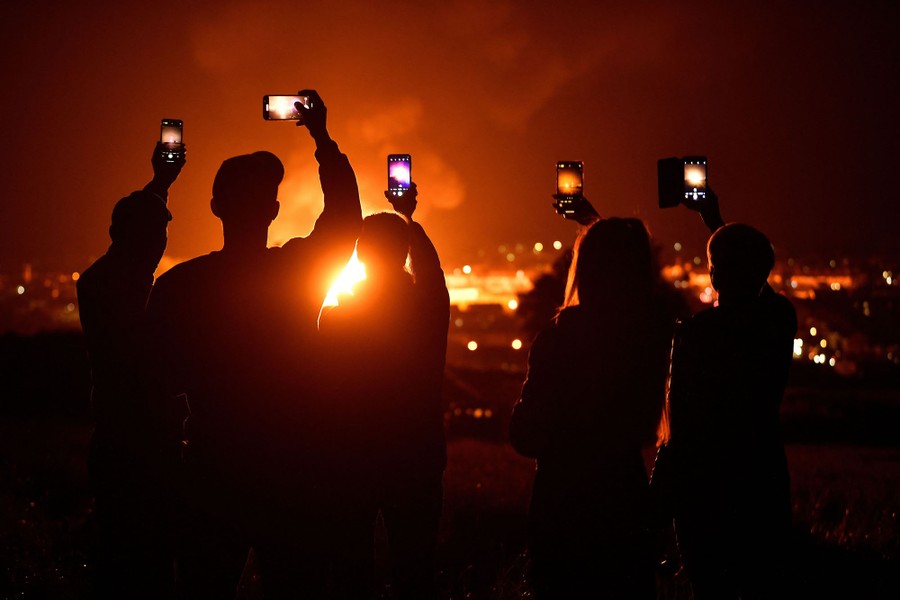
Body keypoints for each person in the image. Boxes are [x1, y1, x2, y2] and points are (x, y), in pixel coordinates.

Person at [143, 89, 361, 597]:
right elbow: (346, 218)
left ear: (216, 206)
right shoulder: (295, 274)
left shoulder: (182, 285)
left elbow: (154, 380)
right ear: (274, 208)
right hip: (289, 470)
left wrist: (159, 183)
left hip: (211, 470)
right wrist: (322, 137)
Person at [509, 200, 672, 599]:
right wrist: (598, 226)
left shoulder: (560, 338)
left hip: (563, 504)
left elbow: (526, 434)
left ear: (585, 268)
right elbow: (632, 282)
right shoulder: (654, 337)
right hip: (625, 500)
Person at [654, 191, 797, 599]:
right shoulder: (779, 320)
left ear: (714, 276)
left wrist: (659, 499)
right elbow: (756, 277)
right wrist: (716, 223)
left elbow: (678, 424)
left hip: (706, 490)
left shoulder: (695, 337)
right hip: (762, 480)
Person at [318, 182, 449, 599]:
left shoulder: (338, 321)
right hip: (416, 458)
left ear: (359, 255)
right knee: (416, 571)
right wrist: (410, 217)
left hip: (348, 460)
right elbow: (434, 277)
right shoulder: (426, 311)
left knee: (349, 573)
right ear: (404, 254)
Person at [76, 141, 185, 598]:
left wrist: (160, 184)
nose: (162, 242)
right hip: (139, 448)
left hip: (118, 443)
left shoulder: (100, 278)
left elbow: (134, 228)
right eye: (157, 233)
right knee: (144, 565)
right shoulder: (130, 292)